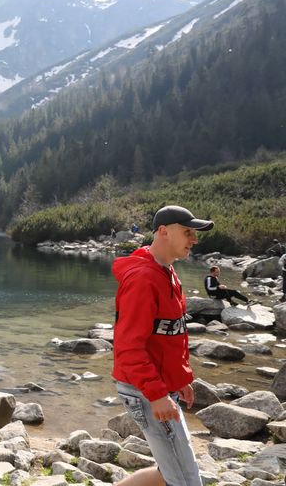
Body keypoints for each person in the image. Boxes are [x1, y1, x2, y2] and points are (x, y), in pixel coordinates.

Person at [112, 205, 213, 486]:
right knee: (186, 479)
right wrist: (157, 395)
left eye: (195, 233)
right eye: (188, 232)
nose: (194, 239)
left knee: (167, 473)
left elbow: (171, 335)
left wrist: (180, 378)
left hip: (159, 385)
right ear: (164, 232)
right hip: (144, 389)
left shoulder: (167, 272)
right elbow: (128, 348)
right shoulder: (143, 279)